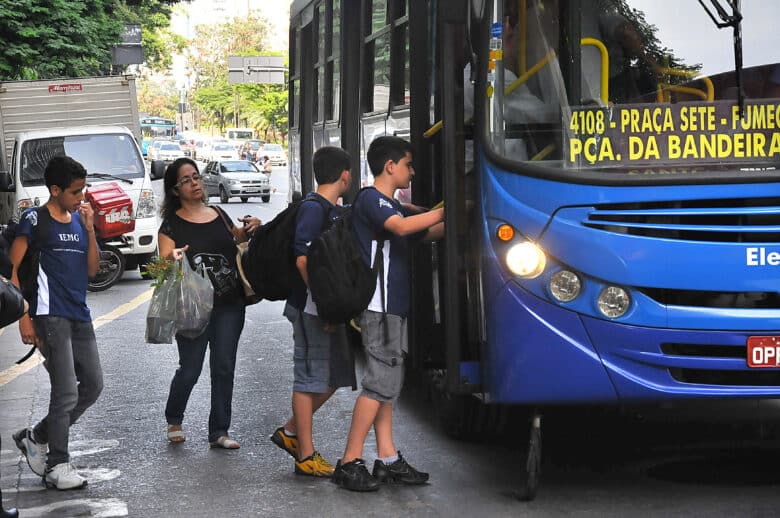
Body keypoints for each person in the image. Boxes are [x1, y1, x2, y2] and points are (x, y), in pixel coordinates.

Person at [332, 136, 444, 492]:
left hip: (391, 307)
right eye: (408, 165)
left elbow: (422, 232)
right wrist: (446, 208)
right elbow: (402, 228)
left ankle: (388, 458)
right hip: (377, 307)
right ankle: (349, 461)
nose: (412, 172)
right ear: (390, 166)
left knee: (388, 387)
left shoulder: (392, 206)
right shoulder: (372, 200)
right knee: (379, 384)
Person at [10, 156, 102, 490]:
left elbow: (93, 271)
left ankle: (37, 436)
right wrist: (24, 317)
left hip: (80, 314)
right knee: (65, 392)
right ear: (55, 189)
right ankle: (57, 465)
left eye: (83, 189)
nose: (82, 197)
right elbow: (12, 271)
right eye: (76, 191)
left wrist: (90, 230)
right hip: (49, 315)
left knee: (92, 386)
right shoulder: (34, 220)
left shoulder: (79, 221)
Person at [158, 157, 261, 449]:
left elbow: (237, 239)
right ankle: (174, 418)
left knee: (224, 366)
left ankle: (219, 431)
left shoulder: (218, 213)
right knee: (190, 368)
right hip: (192, 307)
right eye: (187, 180)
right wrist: (172, 258)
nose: (195, 183)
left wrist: (253, 227)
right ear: (176, 190)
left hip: (230, 303)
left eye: (197, 177)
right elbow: (162, 260)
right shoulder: (171, 225)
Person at [270, 146, 356, 477]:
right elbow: (302, 257)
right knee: (309, 378)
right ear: (345, 174)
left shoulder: (331, 208)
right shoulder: (312, 209)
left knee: (336, 375)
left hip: (317, 307)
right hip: (309, 308)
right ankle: (305, 455)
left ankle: (291, 433)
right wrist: (323, 305)